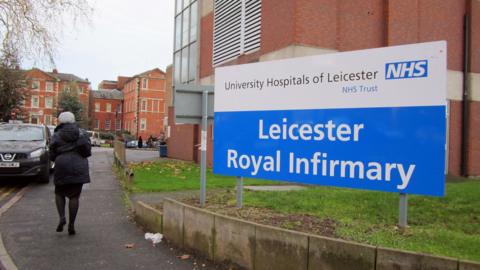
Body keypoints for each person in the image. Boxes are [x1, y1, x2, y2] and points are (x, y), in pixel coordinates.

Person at [50, 112, 91, 235]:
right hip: (79, 165)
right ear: (73, 121)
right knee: (74, 196)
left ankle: (62, 217)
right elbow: (87, 152)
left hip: (62, 164)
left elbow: (52, 153)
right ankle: (71, 225)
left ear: (60, 121)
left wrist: (57, 158)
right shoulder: (82, 133)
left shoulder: (57, 135)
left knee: (59, 192)